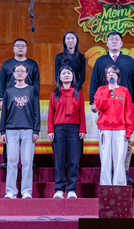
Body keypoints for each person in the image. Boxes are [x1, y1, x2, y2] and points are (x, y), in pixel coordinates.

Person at [89, 31, 134, 182]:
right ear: (106, 43)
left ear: (121, 43)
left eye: (117, 39)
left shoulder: (129, 60)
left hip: (124, 104)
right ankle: (108, 175)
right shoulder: (100, 61)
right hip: (105, 106)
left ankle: (124, 170)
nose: (114, 41)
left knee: (125, 141)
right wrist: (93, 102)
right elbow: (94, 82)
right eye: (111, 39)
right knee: (107, 144)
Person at [0, 38, 40, 169]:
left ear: (26, 49)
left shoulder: (32, 64)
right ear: (13, 48)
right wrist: (1, 99)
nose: (20, 48)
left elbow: (36, 85)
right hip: (10, 101)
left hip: (28, 101)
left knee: (28, 133)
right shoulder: (7, 64)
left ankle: (29, 160)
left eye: (23, 46)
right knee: (9, 129)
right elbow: (2, 83)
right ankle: (6, 159)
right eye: (17, 45)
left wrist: (34, 101)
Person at [0, 64, 40, 199]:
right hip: (11, 129)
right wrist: (2, 131)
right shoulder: (8, 91)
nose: (20, 73)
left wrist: (36, 130)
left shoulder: (32, 90)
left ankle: (26, 191)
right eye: (17, 71)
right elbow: (4, 113)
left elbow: (36, 110)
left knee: (27, 161)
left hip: (28, 129)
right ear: (13, 74)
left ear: (27, 74)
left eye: (23, 71)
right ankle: (10, 191)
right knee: (11, 160)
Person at [47, 65, 87, 199]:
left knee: (73, 160)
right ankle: (59, 189)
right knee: (59, 160)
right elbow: (50, 113)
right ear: (59, 77)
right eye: (63, 73)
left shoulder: (78, 92)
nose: (66, 75)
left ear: (73, 76)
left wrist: (82, 129)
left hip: (74, 129)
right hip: (58, 129)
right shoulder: (55, 93)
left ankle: (71, 189)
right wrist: (50, 130)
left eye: (69, 73)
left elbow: (82, 112)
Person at [94, 65, 134, 186]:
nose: (111, 74)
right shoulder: (101, 90)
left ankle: (119, 186)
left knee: (119, 160)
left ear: (118, 76)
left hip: (120, 129)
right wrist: (108, 91)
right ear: (106, 77)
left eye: (114, 72)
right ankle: (105, 186)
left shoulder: (124, 91)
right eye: (109, 72)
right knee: (105, 159)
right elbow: (100, 106)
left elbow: (128, 112)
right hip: (104, 129)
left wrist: (129, 131)